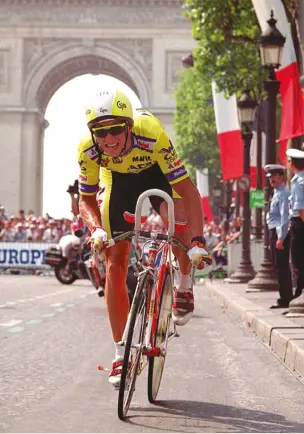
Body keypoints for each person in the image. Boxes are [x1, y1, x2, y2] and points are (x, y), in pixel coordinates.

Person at [77, 88, 212, 387]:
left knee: (176, 225)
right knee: (115, 263)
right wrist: (96, 229)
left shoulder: (150, 132)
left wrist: (197, 242)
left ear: (128, 126)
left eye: (115, 129)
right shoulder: (88, 148)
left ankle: (185, 284)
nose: (109, 139)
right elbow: (85, 200)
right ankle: (120, 353)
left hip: (156, 173)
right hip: (118, 182)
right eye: (101, 132)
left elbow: (189, 191)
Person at [265, 164, 293, 308]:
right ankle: (284, 297)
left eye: (274, 176)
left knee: (282, 266)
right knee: (278, 266)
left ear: (281, 177)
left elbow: (285, 217)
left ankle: (286, 299)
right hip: (274, 232)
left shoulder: (283, 193)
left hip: (279, 233)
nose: (272, 180)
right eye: (270, 177)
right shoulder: (275, 192)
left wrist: (281, 237)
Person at [286, 148, 304, 299]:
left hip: (299, 224)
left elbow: (300, 208)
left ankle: (298, 297)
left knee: (297, 262)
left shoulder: (297, 181)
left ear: (292, 164)